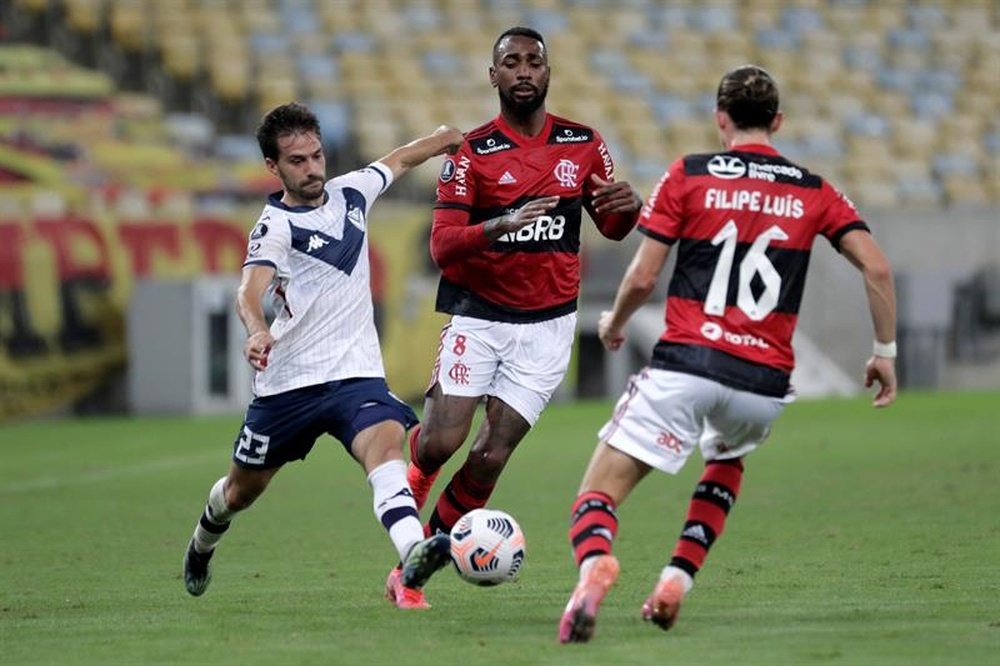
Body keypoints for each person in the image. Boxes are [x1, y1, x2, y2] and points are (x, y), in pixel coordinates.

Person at [557, 65, 898, 643]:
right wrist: (884, 352)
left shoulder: (688, 175)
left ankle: (595, 570)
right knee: (726, 459)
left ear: (720, 119)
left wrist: (614, 323)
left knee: (596, 495)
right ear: (779, 122)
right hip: (763, 383)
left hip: (687, 363)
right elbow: (878, 266)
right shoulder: (812, 189)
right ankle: (676, 580)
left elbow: (643, 276)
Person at [181, 102, 464, 610]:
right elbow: (249, 291)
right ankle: (203, 540)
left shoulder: (352, 192)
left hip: (356, 375)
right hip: (290, 383)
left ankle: (413, 553)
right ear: (274, 167)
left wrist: (444, 136)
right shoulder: (275, 227)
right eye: (297, 161)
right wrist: (257, 330)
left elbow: (398, 159)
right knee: (240, 492)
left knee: (386, 450)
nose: (312, 168)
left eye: (316, 155)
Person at [403, 26, 643, 547]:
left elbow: (612, 229)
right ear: (493, 76)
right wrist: (498, 225)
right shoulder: (472, 152)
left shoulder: (583, 144)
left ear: (549, 72)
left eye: (534, 61)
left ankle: (418, 561)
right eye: (511, 62)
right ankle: (414, 479)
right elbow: (441, 246)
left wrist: (630, 210)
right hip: (480, 313)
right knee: (441, 442)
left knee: (490, 456)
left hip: (548, 324)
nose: (524, 71)